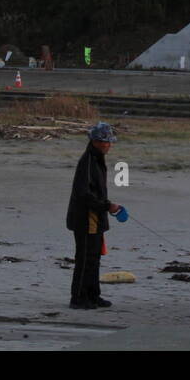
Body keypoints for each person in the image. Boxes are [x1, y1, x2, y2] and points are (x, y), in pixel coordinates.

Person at [66, 122, 123, 308]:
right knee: (84, 259)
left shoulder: (98, 159)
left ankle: (93, 295)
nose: (109, 145)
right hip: (85, 219)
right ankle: (78, 298)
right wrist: (108, 206)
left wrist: (106, 207)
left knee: (95, 258)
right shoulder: (88, 161)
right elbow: (84, 194)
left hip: (96, 217)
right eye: (107, 142)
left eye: (110, 142)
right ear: (97, 142)